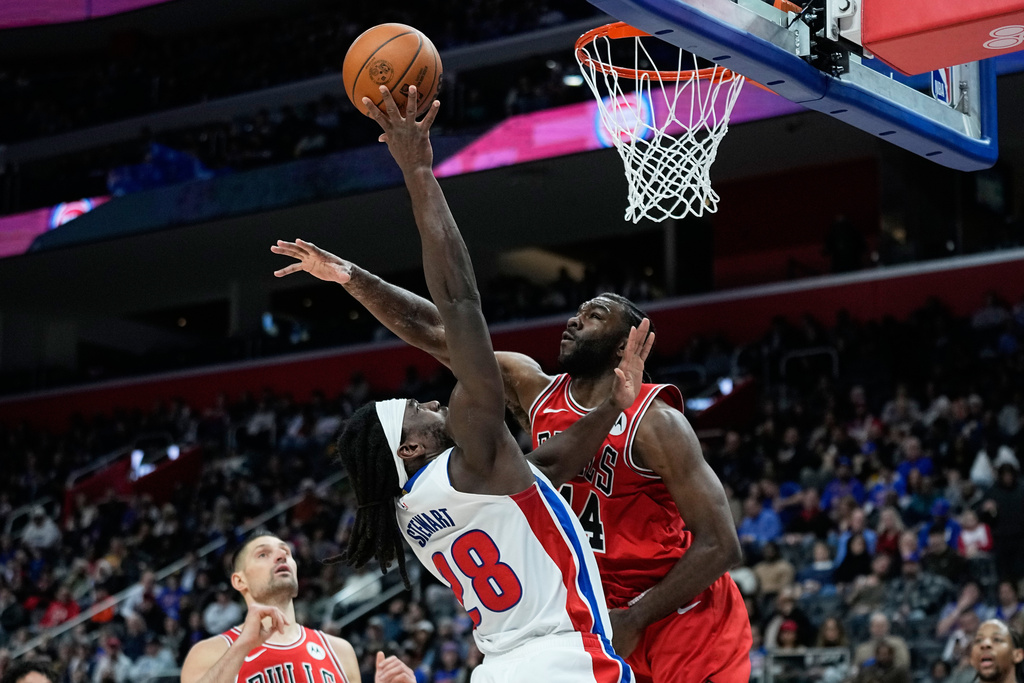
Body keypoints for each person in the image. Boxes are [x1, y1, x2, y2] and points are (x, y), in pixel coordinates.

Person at [272, 112, 748, 683]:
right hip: (590, 612)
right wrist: (353, 278)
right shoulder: (529, 388)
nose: (574, 319)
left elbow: (721, 542)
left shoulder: (657, 423)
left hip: (678, 616)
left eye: (594, 315)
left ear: (625, 342)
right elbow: (438, 330)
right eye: (575, 310)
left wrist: (639, 614)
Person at [304, 86, 643, 682]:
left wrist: (611, 408)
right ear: (409, 448)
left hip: (498, 668)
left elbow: (547, 467)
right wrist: (418, 170)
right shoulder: (472, 446)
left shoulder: (414, 510)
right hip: (567, 660)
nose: (435, 401)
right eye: (418, 409)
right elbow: (457, 303)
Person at [180, 531, 415, 683]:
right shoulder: (210, 652)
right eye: (263, 554)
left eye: (286, 553)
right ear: (239, 580)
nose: (281, 557)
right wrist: (243, 645)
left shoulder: (339, 650)